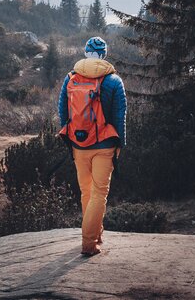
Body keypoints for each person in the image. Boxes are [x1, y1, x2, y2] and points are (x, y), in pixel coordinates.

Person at [58, 36, 127, 256]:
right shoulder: (114, 81)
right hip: (104, 145)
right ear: (104, 54)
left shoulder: (70, 78)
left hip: (79, 145)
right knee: (99, 193)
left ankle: (95, 234)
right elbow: (119, 117)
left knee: (86, 191)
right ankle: (89, 243)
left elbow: (62, 112)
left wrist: (70, 140)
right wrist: (120, 145)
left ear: (86, 53)